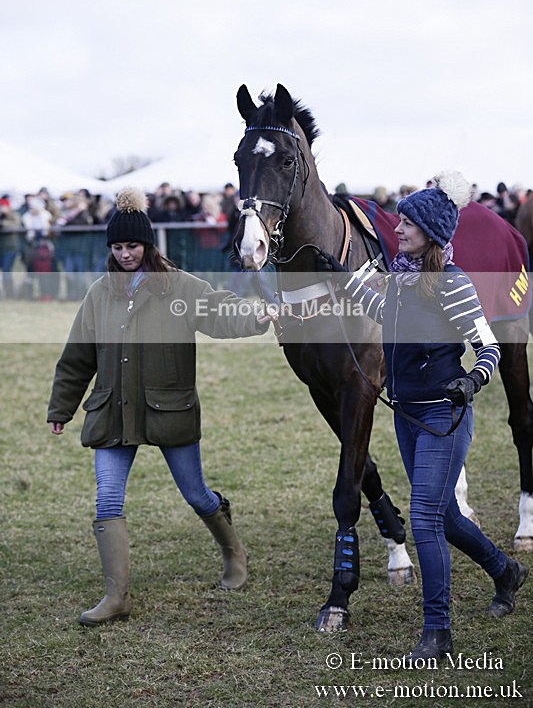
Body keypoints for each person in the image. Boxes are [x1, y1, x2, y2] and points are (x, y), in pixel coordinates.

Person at [317, 171, 528, 663]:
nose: (399, 229)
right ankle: (505, 572)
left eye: (407, 223)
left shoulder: (451, 283)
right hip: (408, 417)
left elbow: (488, 345)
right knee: (447, 516)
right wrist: (337, 275)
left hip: (444, 416)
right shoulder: (401, 279)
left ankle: (438, 632)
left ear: (429, 231)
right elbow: (376, 304)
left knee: (426, 520)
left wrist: (471, 381)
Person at [47, 186, 272, 626]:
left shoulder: (179, 285)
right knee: (107, 500)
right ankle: (117, 597)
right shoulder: (99, 292)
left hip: (169, 409)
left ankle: (234, 553)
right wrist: (61, 408)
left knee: (196, 494)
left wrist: (255, 316)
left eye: (132, 245)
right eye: (117, 246)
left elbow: (219, 312)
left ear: (147, 245)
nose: (125, 253)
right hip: (113, 409)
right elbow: (77, 356)